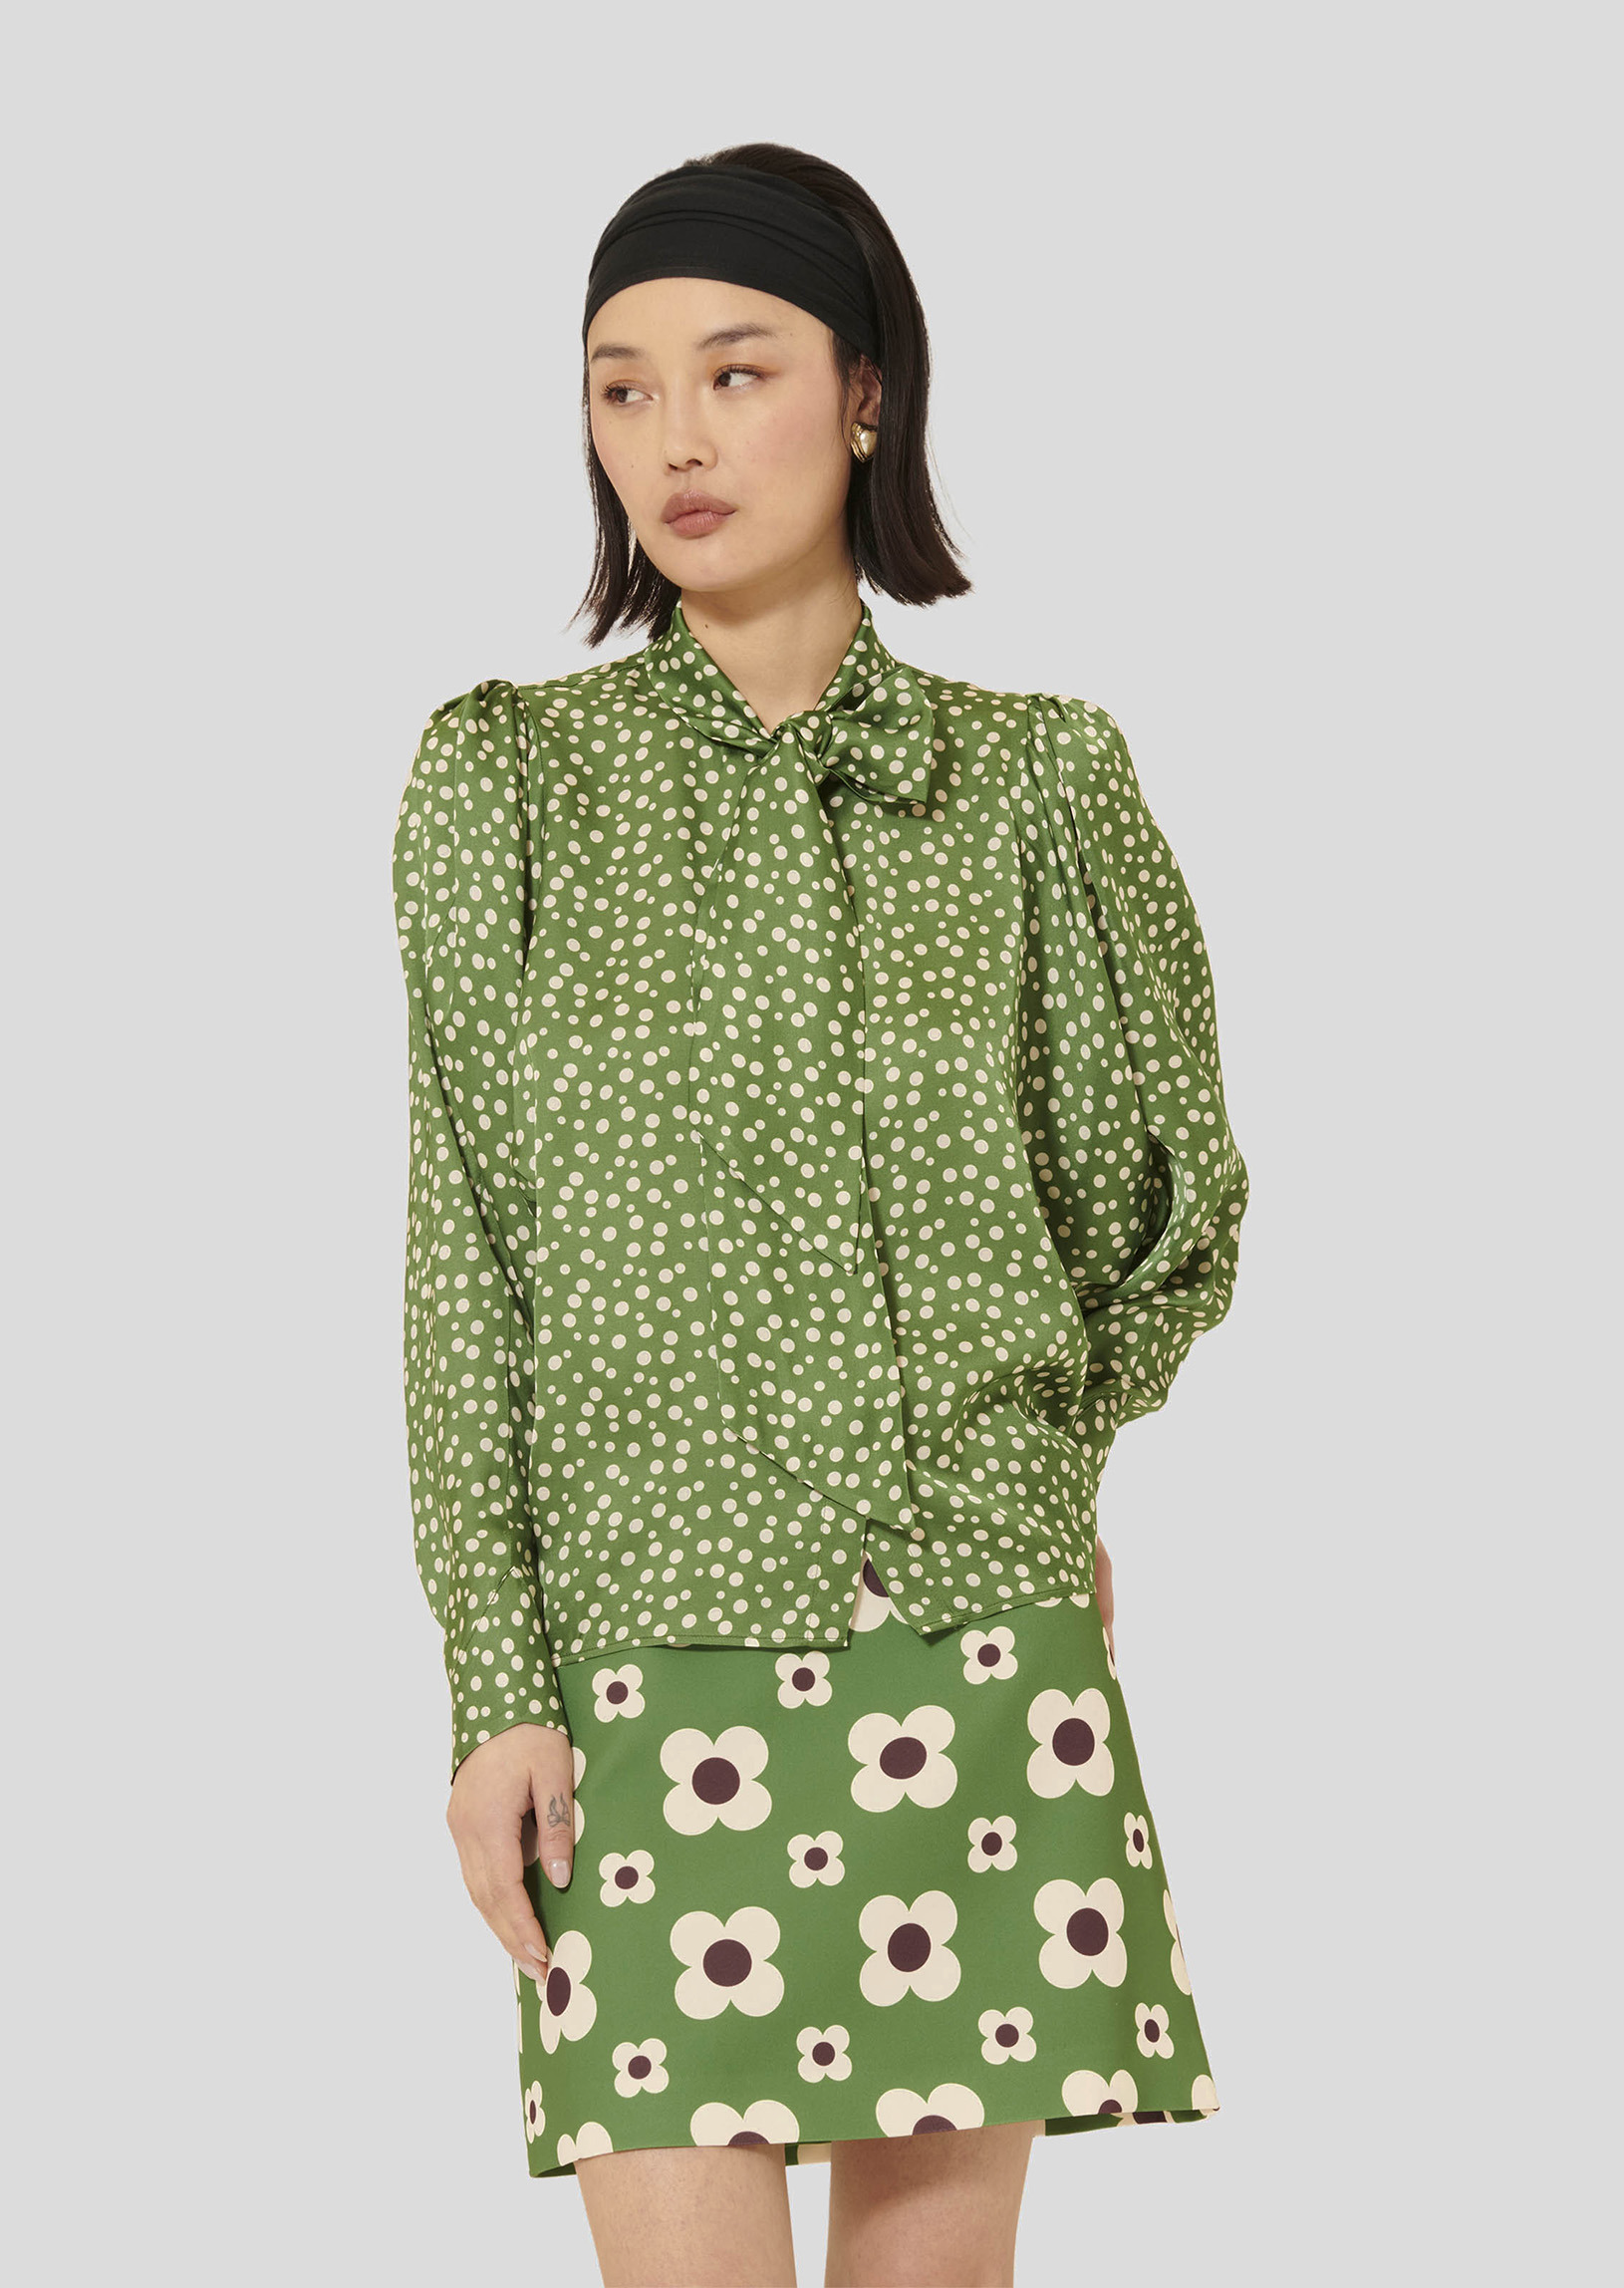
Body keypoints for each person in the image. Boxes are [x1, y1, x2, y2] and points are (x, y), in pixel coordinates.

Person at [391, 141, 1249, 2288]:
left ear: (866, 394)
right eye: (619, 387)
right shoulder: (504, 783)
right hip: (636, 1655)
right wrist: (495, 1685)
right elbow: (468, 1261)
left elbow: (1164, 1194)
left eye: (736, 369)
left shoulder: (1036, 780)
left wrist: (1037, 1457)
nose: (672, 438)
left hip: (972, 1631)